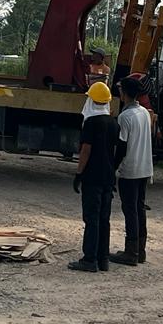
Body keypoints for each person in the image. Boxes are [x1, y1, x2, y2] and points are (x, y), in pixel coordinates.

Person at [69, 81, 119, 273]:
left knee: (91, 218)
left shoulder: (90, 123)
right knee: (104, 218)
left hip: (92, 177)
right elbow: (114, 150)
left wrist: (78, 174)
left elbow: (86, 151)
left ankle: (89, 259)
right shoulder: (113, 123)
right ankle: (103, 258)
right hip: (107, 177)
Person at [109, 76, 154, 266]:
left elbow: (122, 146)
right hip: (145, 167)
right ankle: (140, 250)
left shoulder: (125, 117)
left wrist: (113, 168)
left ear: (124, 93)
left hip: (131, 169)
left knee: (130, 210)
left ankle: (131, 252)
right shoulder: (144, 112)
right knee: (139, 208)